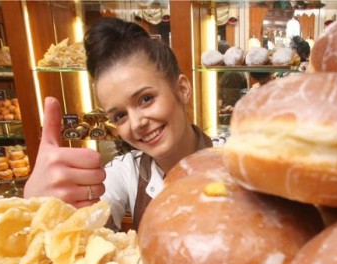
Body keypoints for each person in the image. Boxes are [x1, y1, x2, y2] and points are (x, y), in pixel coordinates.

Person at [24, 18, 219, 231]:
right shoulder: (125, 171)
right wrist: (42, 209)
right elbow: (90, 230)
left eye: (146, 99)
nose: (136, 124)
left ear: (182, 89)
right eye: (119, 116)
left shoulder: (237, 160)